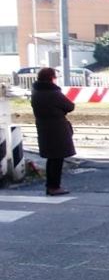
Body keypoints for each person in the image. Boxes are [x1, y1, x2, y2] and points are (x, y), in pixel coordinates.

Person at [30, 68, 76, 196]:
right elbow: (70, 106)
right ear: (51, 78)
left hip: (43, 128)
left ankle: (50, 186)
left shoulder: (36, 92)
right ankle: (54, 186)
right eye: (55, 77)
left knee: (51, 158)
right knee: (57, 159)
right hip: (57, 129)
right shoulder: (53, 92)